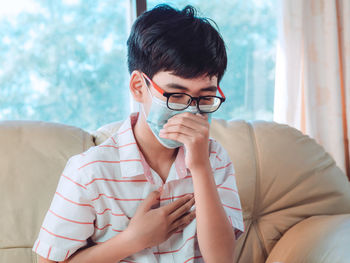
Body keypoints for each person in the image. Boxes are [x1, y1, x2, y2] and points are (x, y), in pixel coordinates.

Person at [33, 4, 244, 263]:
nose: (189, 111)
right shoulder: (90, 172)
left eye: (205, 97)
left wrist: (200, 166)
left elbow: (222, 259)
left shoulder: (214, 159)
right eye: (176, 95)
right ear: (138, 87)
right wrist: (133, 240)